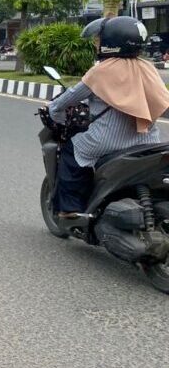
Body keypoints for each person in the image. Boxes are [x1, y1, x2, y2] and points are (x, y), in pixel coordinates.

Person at [47, 16, 169, 217]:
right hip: (148, 142)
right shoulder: (149, 68)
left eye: (99, 39)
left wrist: (55, 113)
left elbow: (67, 100)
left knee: (71, 151)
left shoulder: (102, 70)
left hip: (105, 143)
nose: (97, 43)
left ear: (111, 42)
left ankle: (70, 209)